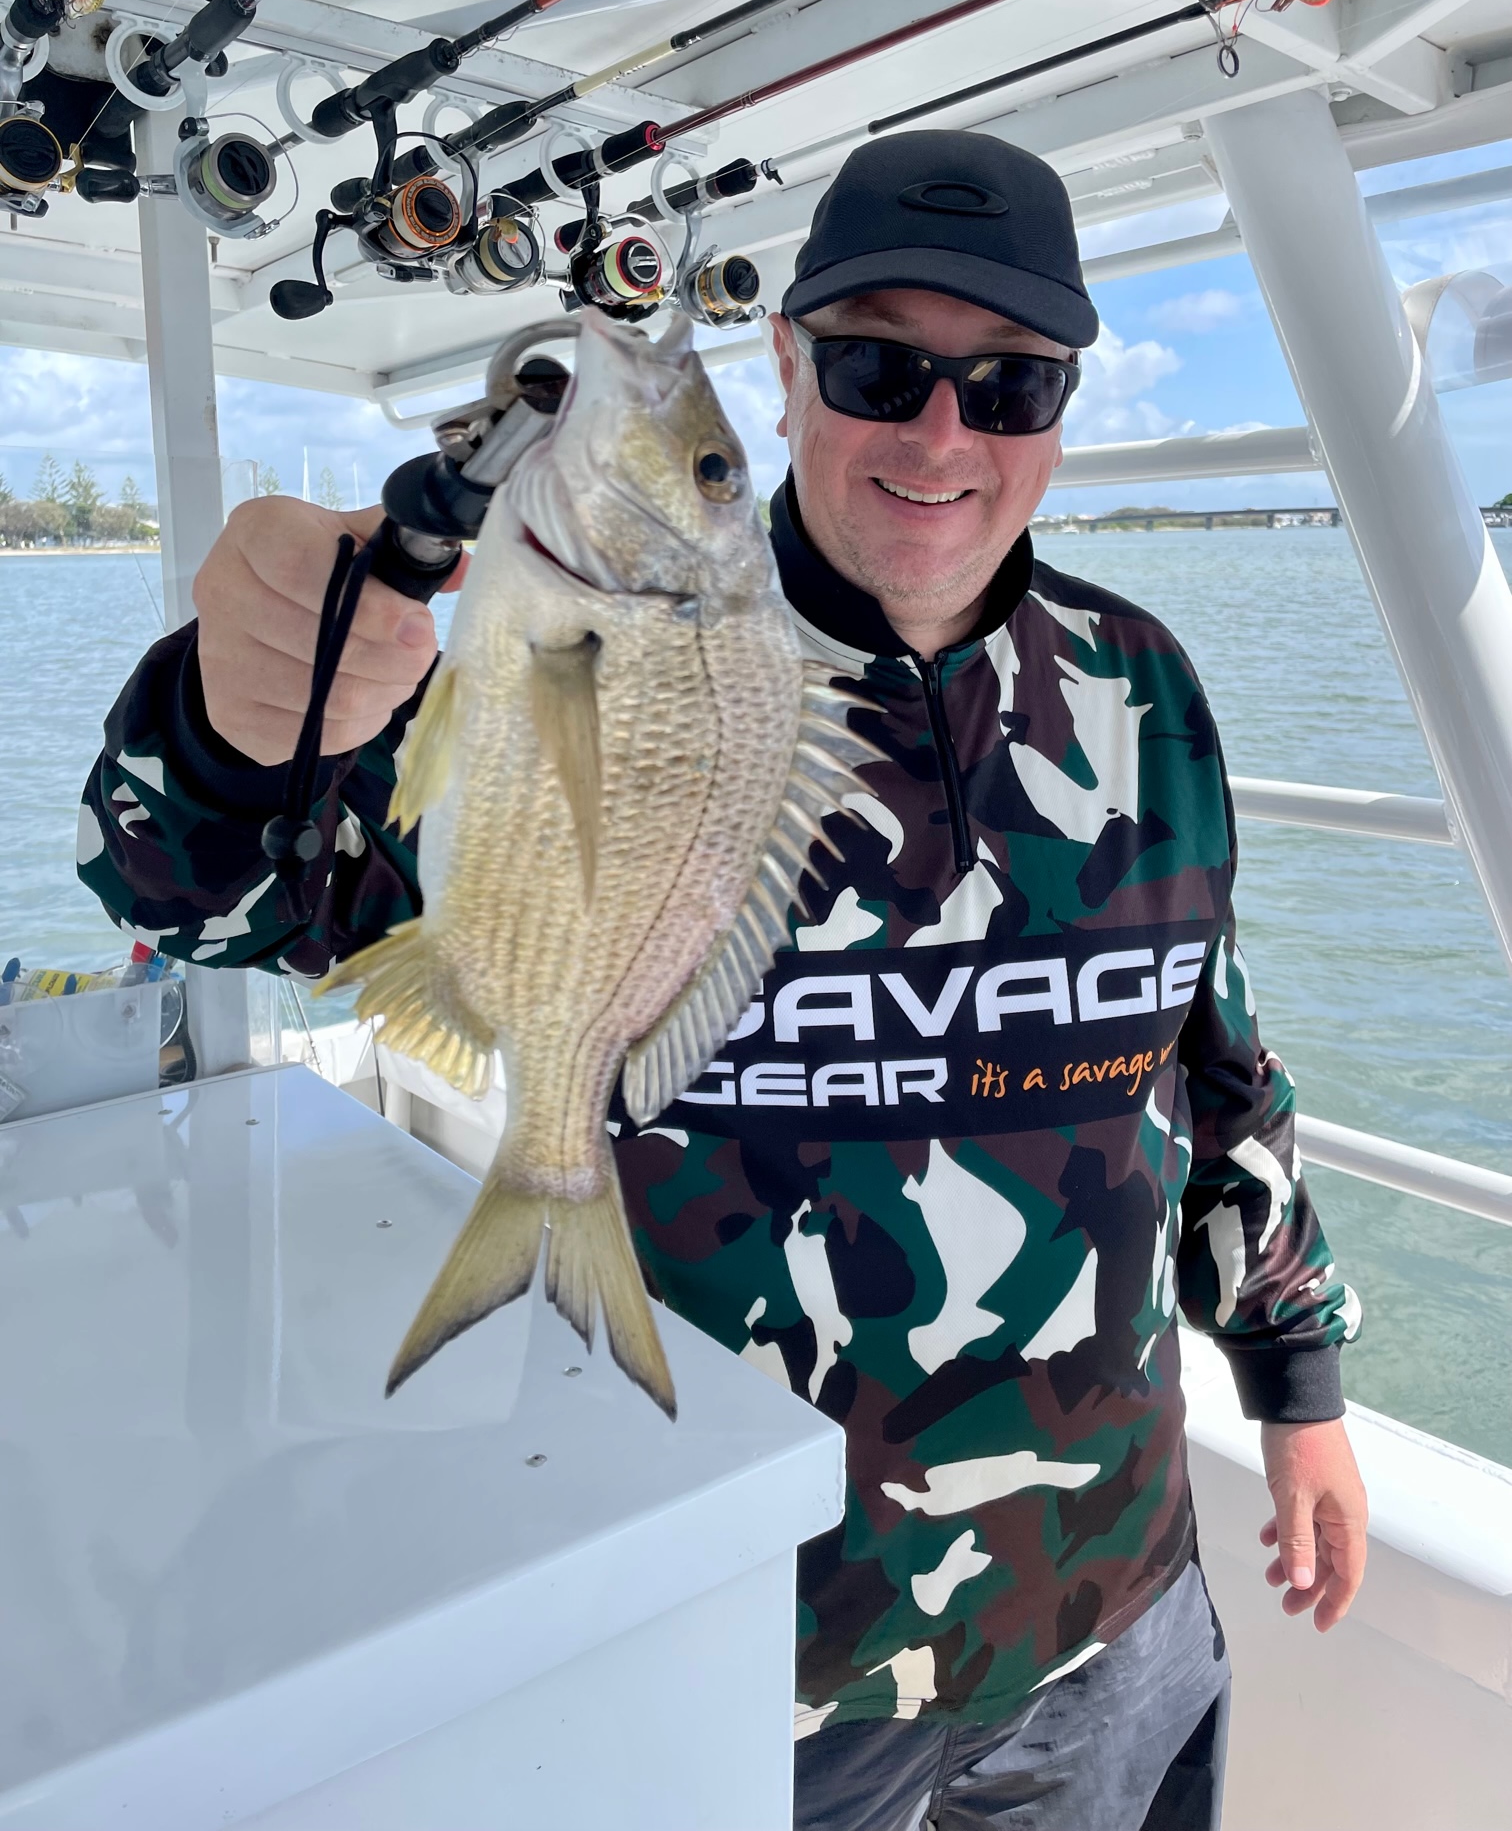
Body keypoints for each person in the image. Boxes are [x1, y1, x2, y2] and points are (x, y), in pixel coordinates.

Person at [79, 129, 1367, 1831]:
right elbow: (214, 895)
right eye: (877, 363)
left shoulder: (1148, 686)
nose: (938, 431)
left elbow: (1217, 1065)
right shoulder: (603, 657)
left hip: (1108, 1606)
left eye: (1011, 385)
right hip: (749, 1641)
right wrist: (236, 726)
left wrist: (1299, 1379)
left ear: (1063, 410)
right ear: (787, 368)